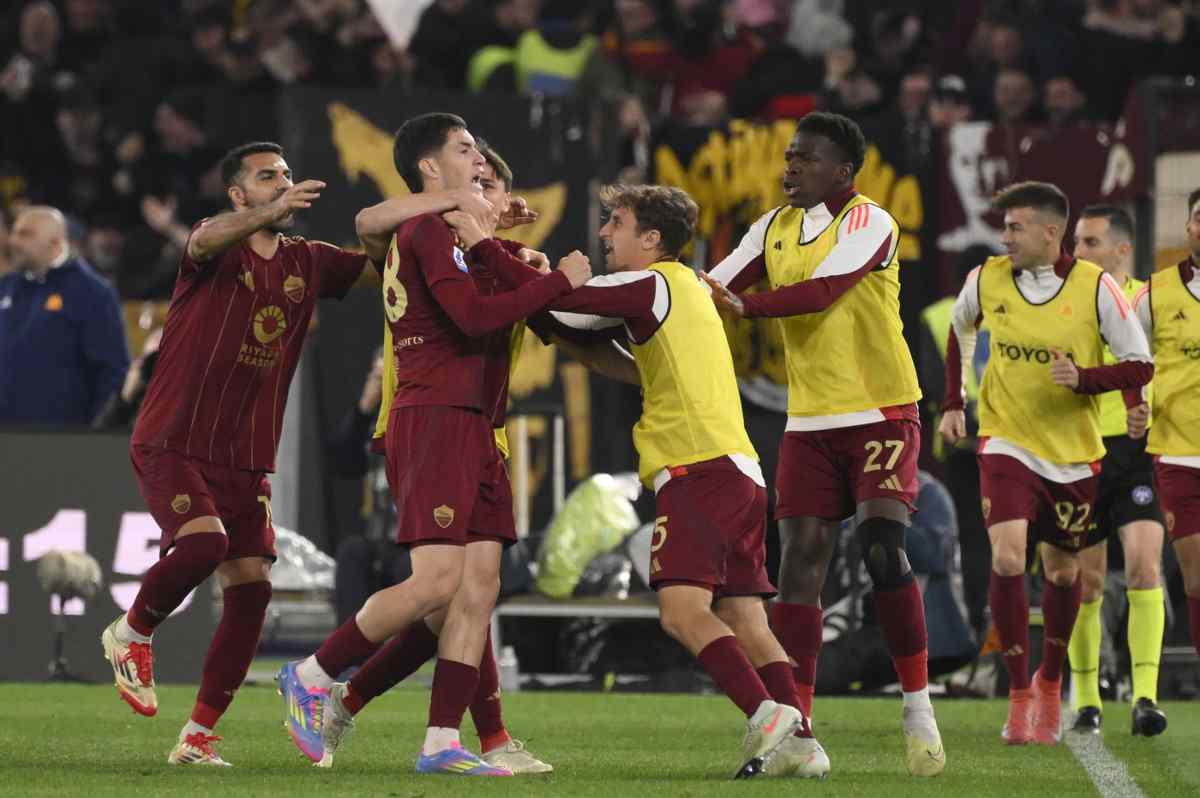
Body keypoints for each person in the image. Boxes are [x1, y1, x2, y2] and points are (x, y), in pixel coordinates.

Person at [276, 112, 590, 777]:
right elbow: (470, 318)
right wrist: (559, 279)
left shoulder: (448, 232)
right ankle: (311, 675)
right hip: (435, 413)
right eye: (466, 149)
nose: (479, 160)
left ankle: (443, 742)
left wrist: (510, 248)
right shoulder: (423, 229)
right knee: (438, 581)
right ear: (429, 167)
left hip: (474, 422)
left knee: (477, 589)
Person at [98, 141, 370, 766]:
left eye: (287, 174)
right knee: (204, 545)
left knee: (251, 591)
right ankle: (131, 630)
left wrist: (457, 228)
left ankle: (197, 736)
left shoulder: (307, 260)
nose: (283, 183)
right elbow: (205, 237)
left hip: (246, 454)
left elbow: (379, 265)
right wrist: (264, 213)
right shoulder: (214, 245)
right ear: (238, 194)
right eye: (267, 176)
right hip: (175, 436)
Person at [536, 183, 819, 780]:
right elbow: (609, 356)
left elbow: (562, 305)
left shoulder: (648, 283)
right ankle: (803, 744)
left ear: (651, 238)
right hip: (739, 471)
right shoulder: (684, 288)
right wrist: (555, 314)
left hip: (698, 470)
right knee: (745, 617)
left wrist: (543, 273)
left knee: (680, 611)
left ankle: (766, 715)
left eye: (616, 222)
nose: (605, 232)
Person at [704, 111, 944, 777]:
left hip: (880, 410)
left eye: (806, 158)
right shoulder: (772, 228)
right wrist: (658, 294)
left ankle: (918, 708)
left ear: (843, 170)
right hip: (810, 420)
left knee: (882, 547)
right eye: (789, 156)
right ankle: (799, 729)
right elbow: (713, 286)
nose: (790, 167)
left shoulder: (871, 221)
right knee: (801, 560)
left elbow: (823, 291)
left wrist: (749, 307)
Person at [940, 181, 1153, 746]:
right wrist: (953, 403)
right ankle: (1017, 694)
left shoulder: (1096, 288)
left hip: (1073, 453)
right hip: (1006, 441)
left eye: (1016, 228)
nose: (1005, 238)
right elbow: (960, 328)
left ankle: (1051, 684)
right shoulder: (986, 278)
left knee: (1063, 574)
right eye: (1004, 227)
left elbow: (1139, 364)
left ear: (1050, 232)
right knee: (1009, 557)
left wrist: (1083, 379)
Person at [1066, 204, 1167, 736]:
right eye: (1076, 243)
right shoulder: (1067, 302)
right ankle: (1087, 699)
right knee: (1088, 583)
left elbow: (1172, 368)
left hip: (1137, 456)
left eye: (1090, 243)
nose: (1078, 252)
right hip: (1081, 451)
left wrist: (1153, 408)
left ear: (1122, 249)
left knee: (1145, 568)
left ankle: (1146, 696)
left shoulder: (1151, 301)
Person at [1132, 186, 1200, 665]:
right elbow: (1134, 361)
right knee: (1196, 579)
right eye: (1199, 217)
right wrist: (1137, 403)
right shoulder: (1156, 294)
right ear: (1188, 226)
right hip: (1178, 452)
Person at [0, 205, 129, 425]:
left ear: (56, 244)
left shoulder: (93, 292)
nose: (13, 241)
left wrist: (99, 430)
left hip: (61, 435)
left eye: (25, 234)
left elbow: (111, 370)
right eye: (14, 232)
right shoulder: (6, 287)